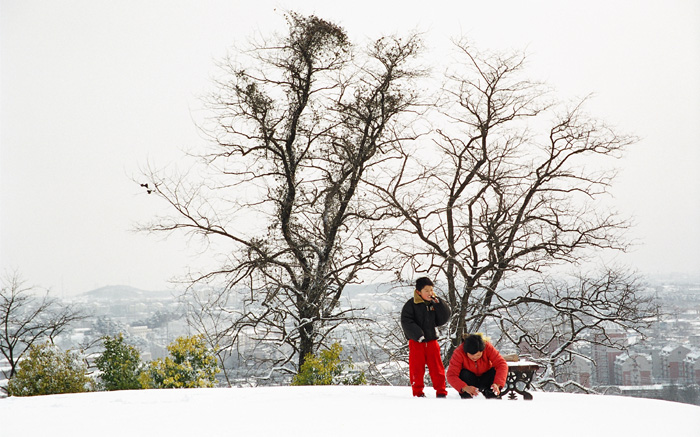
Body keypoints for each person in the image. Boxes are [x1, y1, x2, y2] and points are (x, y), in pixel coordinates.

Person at [400, 277, 451, 398]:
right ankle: (418, 392)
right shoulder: (411, 305)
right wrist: (418, 335)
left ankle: (441, 391)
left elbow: (444, 318)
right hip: (416, 342)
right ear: (418, 292)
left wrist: (440, 304)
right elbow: (406, 321)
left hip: (432, 341)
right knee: (417, 369)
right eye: (426, 290)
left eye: (431, 290)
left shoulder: (434, 303)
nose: (430, 293)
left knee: (437, 367)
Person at [446, 333, 508, 399]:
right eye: (471, 355)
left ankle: (493, 396)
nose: (475, 357)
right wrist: (464, 387)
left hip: (486, 378)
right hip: (469, 380)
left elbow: (501, 364)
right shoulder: (458, 352)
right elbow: (451, 375)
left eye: (478, 355)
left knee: (494, 371)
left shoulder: (487, 347)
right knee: (463, 374)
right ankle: (467, 399)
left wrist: (497, 384)